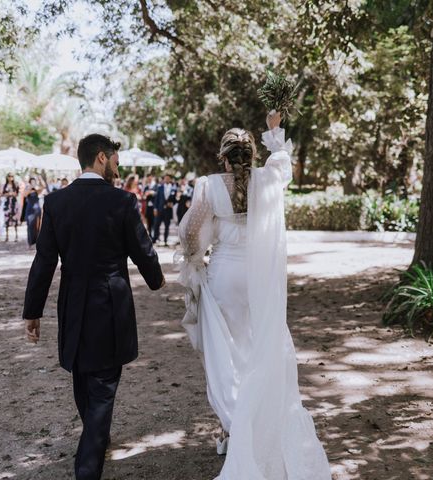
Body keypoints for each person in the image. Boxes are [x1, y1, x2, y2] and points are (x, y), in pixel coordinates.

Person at [177, 111, 331, 479]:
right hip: (260, 278)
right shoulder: (267, 179)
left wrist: (195, 259)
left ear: (224, 158)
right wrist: (274, 127)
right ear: (251, 156)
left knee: (226, 355)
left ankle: (234, 427)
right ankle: (256, 427)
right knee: (259, 349)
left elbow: (191, 230)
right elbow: (282, 162)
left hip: (225, 276)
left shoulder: (209, 185)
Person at [22, 133, 165, 480]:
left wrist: (33, 311)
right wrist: (156, 279)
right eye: (115, 159)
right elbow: (142, 250)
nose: (119, 166)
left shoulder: (57, 203)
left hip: (72, 304)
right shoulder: (123, 202)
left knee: (84, 379)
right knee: (101, 390)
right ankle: (89, 464)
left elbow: (44, 262)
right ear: (101, 158)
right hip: (110, 306)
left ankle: (96, 437)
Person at [152, 173, 176, 246]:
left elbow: (175, 199)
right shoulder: (160, 187)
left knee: (167, 226)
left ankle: (165, 240)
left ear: (170, 179)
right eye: (165, 178)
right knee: (156, 225)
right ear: (164, 179)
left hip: (168, 210)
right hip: (160, 209)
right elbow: (156, 199)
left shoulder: (173, 188)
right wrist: (155, 208)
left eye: (168, 178)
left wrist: (172, 203)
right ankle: (156, 239)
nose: (167, 179)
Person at [24, 176, 46, 248]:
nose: (33, 182)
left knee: (37, 226)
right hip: (30, 209)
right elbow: (25, 194)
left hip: (37, 209)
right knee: (30, 226)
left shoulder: (37, 189)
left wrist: (40, 179)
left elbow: (43, 187)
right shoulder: (28, 188)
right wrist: (31, 187)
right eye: (32, 181)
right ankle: (29, 243)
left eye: (34, 181)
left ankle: (37, 243)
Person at [2, 173, 20, 242]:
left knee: (15, 219)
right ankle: (7, 236)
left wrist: (11, 194)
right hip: (7, 204)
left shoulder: (15, 185)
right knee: (6, 219)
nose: (10, 178)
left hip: (13, 203)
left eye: (12, 176)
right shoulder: (5, 185)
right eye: (9, 176)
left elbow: (17, 194)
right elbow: (3, 194)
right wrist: (9, 194)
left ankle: (16, 236)